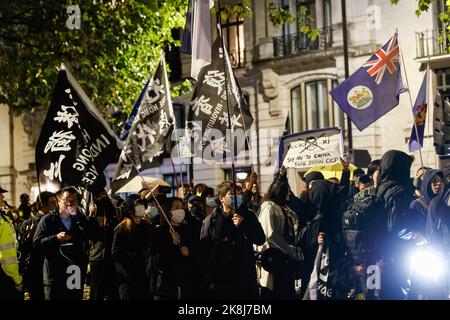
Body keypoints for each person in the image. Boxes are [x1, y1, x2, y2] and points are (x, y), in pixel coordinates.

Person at [200, 181, 265, 300]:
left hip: (245, 276)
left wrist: (244, 225)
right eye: (232, 194)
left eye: (239, 194)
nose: (237, 197)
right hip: (222, 278)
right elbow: (205, 250)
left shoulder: (248, 216)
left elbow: (260, 239)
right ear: (221, 198)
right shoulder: (210, 221)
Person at [33, 186, 94, 300]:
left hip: (74, 274)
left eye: (73, 201)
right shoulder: (47, 220)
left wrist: (79, 216)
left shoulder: (79, 220)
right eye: (66, 200)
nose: (69, 203)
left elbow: (91, 234)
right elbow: (36, 244)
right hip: (55, 275)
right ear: (59, 200)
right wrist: (55, 238)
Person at [256, 168, 303, 300]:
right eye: (286, 191)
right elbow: (271, 235)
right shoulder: (269, 207)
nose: (289, 194)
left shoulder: (283, 208)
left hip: (284, 261)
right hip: (274, 261)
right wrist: (292, 250)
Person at [111, 196, 154, 300]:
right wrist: (134, 255)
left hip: (143, 275)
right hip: (128, 276)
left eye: (142, 205)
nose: (141, 208)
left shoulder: (144, 225)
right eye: (137, 205)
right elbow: (115, 253)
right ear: (130, 209)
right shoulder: (122, 228)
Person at [18, 191, 57, 300]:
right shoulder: (28, 224)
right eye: (52, 203)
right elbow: (22, 249)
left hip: (53, 270)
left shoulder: (57, 222)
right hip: (36, 270)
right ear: (42, 205)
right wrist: (29, 237)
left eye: (56, 203)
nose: (56, 206)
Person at [88, 190, 120, 300]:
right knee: (97, 293)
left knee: (112, 291)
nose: (101, 197)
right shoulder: (93, 216)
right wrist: (92, 215)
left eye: (104, 194)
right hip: (97, 257)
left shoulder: (113, 213)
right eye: (98, 195)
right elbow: (89, 233)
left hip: (111, 257)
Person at [0, 186, 23, 300]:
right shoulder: (2, 222)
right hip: (5, 276)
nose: (3, 197)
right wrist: (17, 279)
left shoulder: (4, 218)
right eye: (0, 195)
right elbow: (6, 254)